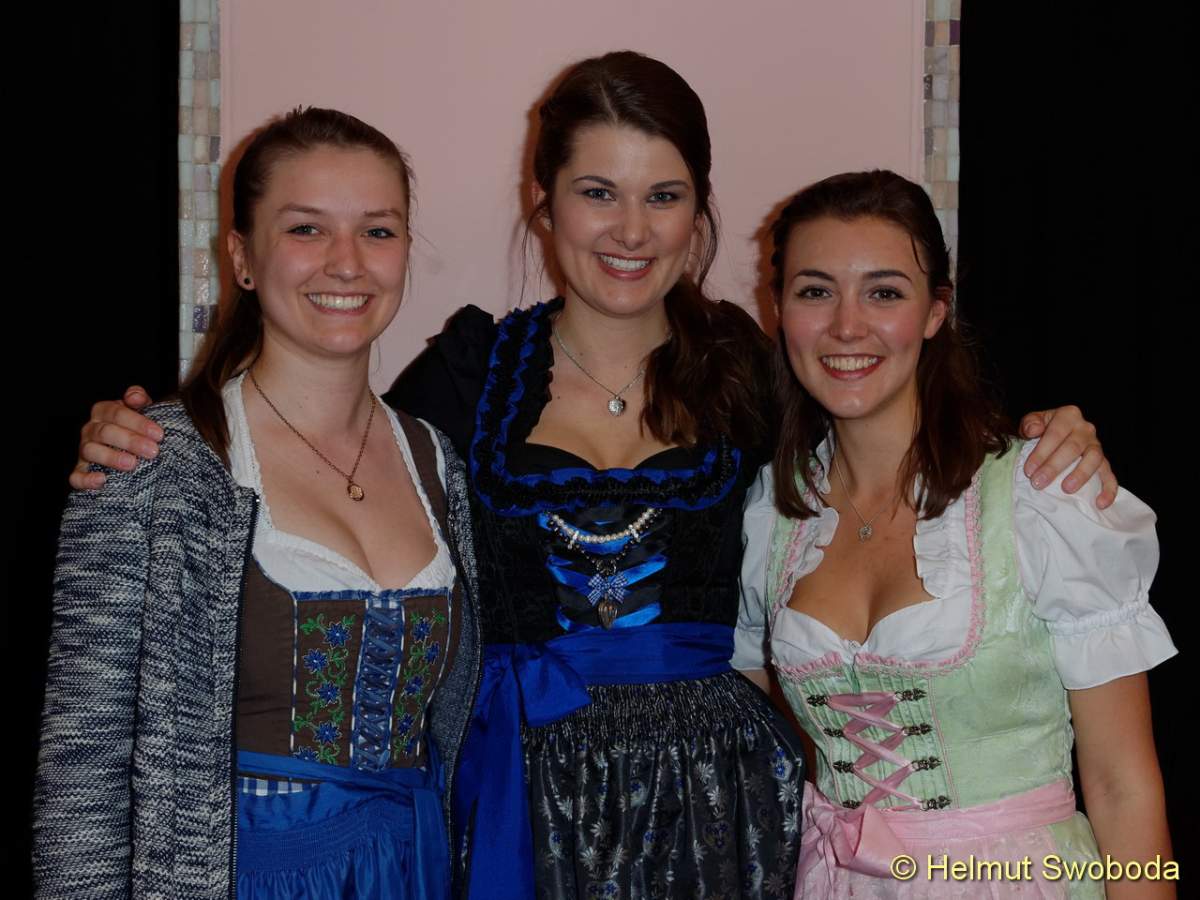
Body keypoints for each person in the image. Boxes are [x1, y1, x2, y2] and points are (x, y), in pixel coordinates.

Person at [67, 54, 1116, 899]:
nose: (630, 230)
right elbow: (332, 443)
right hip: (521, 804)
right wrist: (148, 435)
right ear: (545, 203)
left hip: (725, 810)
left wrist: (1045, 438)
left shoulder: (757, 369)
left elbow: (887, 438)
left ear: (699, 210)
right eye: (597, 193)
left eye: (664, 196)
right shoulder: (467, 377)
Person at [34, 108, 481, 899]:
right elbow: (83, 767)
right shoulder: (152, 460)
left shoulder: (438, 461)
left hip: (413, 868)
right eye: (307, 229)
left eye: (378, 231)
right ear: (241, 257)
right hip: (236, 875)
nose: (347, 263)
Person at [734, 170, 1176, 898]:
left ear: (936, 312)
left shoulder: (1040, 496)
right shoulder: (769, 514)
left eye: (884, 293)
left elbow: (1122, 783)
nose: (847, 326)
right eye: (815, 291)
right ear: (777, 308)